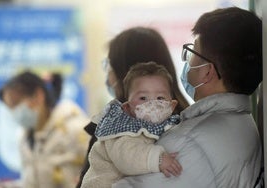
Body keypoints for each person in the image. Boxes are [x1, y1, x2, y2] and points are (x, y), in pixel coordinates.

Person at [113, 7, 263, 188]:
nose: (188, 60)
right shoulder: (241, 122)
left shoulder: (189, 142)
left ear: (207, 72)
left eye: (193, 53)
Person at [76, 26, 189, 187]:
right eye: (143, 98)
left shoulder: (113, 124)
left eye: (109, 65)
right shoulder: (186, 119)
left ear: (125, 72)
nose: (108, 74)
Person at [80, 62, 182, 188]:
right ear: (127, 107)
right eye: (143, 98)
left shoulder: (170, 126)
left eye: (160, 98)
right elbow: (127, 157)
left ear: (171, 106)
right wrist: (158, 159)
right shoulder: (121, 129)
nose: (152, 103)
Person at [1, 71, 90, 188]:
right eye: (10, 108)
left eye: (16, 104)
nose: (15, 113)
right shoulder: (25, 138)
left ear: (38, 95)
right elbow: (32, 183)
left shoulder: (76, 128)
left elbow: (100, 174)